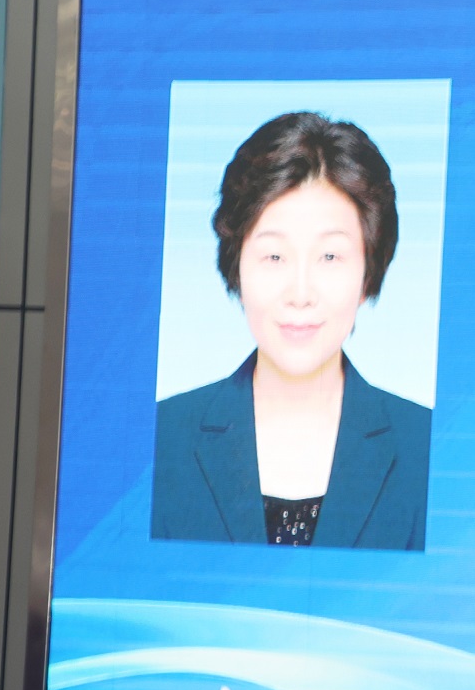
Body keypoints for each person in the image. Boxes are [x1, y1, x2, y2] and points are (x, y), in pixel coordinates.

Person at [152, 111, 430, 549]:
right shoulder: (162, 437)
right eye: (275, 257)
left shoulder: (426, 446)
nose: (300, 294)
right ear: (237, 267)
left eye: (330, 257)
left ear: (368, 273)